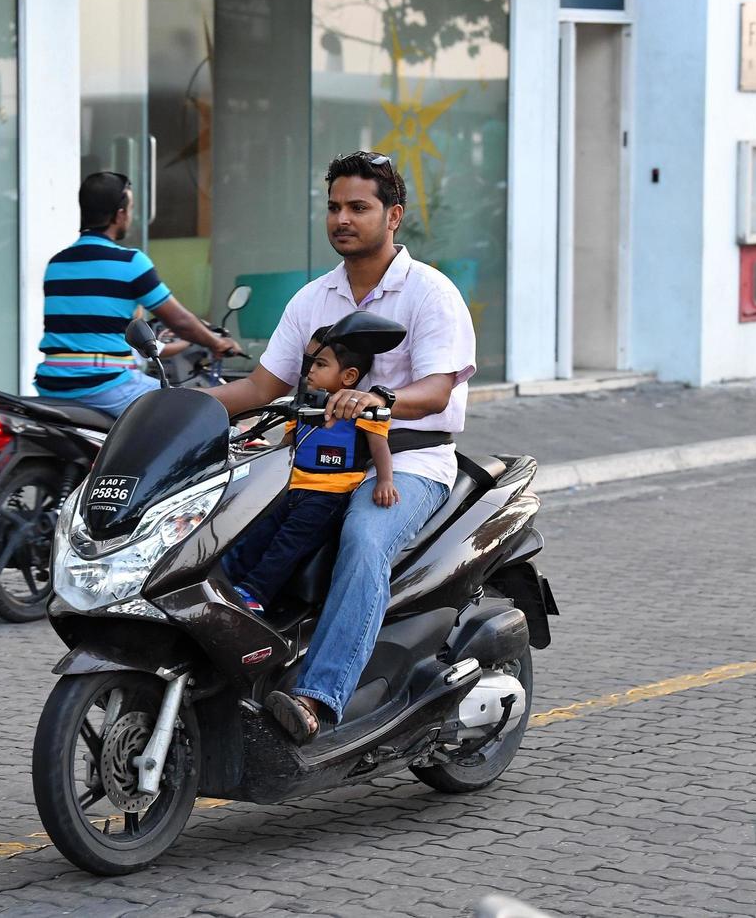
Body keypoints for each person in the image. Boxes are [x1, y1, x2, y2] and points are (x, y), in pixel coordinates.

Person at [201, 151, 476, 743]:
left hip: (406, 463)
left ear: (393, 215)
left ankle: (319, 698)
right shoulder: (313, 300)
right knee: (222, 521)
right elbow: (260, 386)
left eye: (359, 207)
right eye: (333, 207)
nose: (342, 219)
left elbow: (433, 391)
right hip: (315, 457)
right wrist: (173, 409)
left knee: (364, 537)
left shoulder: (430, 293)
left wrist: (377, 399)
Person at [35, 171, 239, 416]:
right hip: (105, 384)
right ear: (120, 214)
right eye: (130, 208)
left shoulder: (57, 264)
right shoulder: (130, 263)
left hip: (51, 384)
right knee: (193, 412)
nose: (130, 216)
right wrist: (217, 342)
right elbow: (180, 322)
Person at [223, 324, 395, 615]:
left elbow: (379, 447)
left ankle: (254, 593)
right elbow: (287, 447)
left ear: (349, 376)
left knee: (287, 545)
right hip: (290, 488)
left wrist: (385, 481)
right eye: (308, 363)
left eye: (320, 364)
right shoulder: (301, 407)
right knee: (256, 532)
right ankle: (226, 582)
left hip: (327, 496)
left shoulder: (363, 410)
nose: (309, 371)